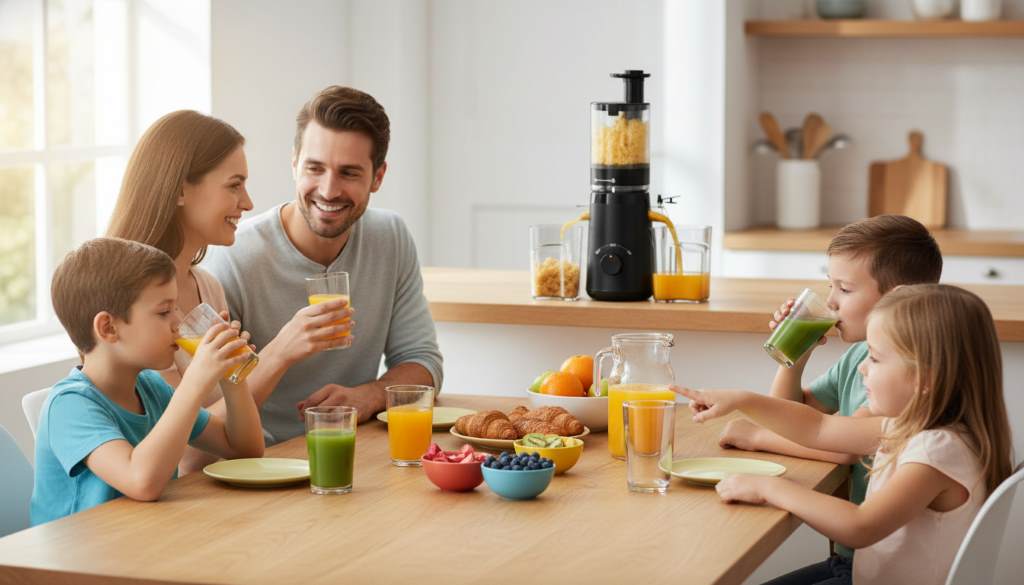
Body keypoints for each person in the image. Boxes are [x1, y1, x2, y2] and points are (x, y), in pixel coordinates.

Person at [679, 284, 1014, 585]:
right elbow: (817, 427)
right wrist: (741, 399)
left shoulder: (938, 449)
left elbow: (860, 527)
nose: (862, 367)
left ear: (925, 380)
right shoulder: (912, 427)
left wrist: (769, 488)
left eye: (876, 357)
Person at [107, 110, 350, 472]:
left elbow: (233, 442)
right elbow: (186, 454)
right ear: (178, 190)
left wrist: (242, 372)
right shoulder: (129, 301)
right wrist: (280, 352)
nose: (248, 203)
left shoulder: (207, 287)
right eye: (234, 185)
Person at [203, 85, 443, 442]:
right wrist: (284, 348)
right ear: (294, 163)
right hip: (262, 462)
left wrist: (369, 396)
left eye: (349, 173)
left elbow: (424, 364)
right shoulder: (236, 257)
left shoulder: (390, 237)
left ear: (378, 177)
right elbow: (209, 416)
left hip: (354, 451)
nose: (329, 191)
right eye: (315, 168)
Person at [718, 215, 942, 558]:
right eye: (830, 286)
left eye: (845, 289)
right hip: (858, 561)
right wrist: (795, 356)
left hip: (877, 568)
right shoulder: (859, 357)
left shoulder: (909, 378)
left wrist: (755, 436)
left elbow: (843, 444)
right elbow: (792, 416)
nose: (831, 302)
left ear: (895, 299)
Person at [31, 238, 265, 525]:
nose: (178, 322)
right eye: (164, 311)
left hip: (142, 541)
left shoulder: (150, 389)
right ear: (108, 327)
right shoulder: (70, 406)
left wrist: (233, 375)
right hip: (74, 562)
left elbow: (244, 449)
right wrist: (195, 381)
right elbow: (142, 482)